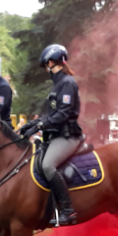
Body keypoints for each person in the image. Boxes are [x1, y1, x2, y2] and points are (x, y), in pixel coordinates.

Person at [19, 44, 82, 226]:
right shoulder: (57, 86)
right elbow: (51, 115)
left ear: (53, 62)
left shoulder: (67, 83)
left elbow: (62, 114)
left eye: (47, 65)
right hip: (56, 136)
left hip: (68, 136)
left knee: (47, 166)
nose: (46, 69)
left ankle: (68, 211)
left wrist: (39, 126)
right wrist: (31, 124)